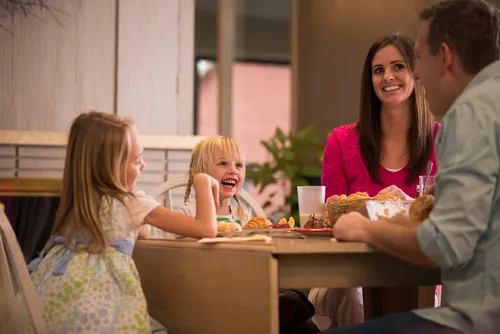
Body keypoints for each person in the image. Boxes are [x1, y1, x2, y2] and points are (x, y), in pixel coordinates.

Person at [325, 0, 500, 333]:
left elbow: (445, 245)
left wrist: (364, 229)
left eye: (415, 59)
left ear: (445, 56)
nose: (416, 74)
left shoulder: (468, 115)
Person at [26, 111, 219, 333]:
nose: (143, 165)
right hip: (104, 315)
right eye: (137, 161)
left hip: (53, 310)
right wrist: (202, 181)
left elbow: (135, 231)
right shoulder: (131, 203)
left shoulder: (80, 203)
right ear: (109, 166)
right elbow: (206, 228)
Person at [310, 33, 440, 331]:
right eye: (378, 70)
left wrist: (406, 206)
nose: (387, 77)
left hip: (417, 275)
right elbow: (330, 219)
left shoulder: (441, 139)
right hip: (345, 276)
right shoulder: (341, 141)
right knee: (356, 297)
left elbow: (447, 220)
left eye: (398, 67)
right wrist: (377, 206)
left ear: (415, 73)